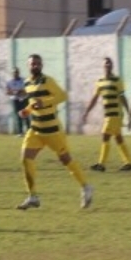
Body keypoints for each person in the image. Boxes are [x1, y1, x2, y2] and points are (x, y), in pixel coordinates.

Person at [15, 53, 94, 210]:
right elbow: (34, 103)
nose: (35, 66)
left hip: (52, 130)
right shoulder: (27, 83)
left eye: (38, 63)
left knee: (66, 160)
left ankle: (86, 187)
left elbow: (62, 96)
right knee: (25, 158)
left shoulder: (48, 81)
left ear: (42, 65)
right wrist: (27, 110)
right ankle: (33, 196)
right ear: (28, 66)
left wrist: (44, 102)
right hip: (36, 129)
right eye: (32, 64)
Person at [81, 57, 131, 172]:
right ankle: (128, 162)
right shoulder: (100, 81)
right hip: (108, 114)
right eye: (106, 64)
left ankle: (101, 164)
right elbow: (95, 98)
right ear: (103, 66)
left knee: (105, 135)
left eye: (109, 64)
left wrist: (129, 113)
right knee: (118, 138)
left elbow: (122, 97)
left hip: (115, 114)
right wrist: (87, 111)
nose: (108, 66)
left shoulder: (117, 80)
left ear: (112, 66)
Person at [6, 66, 29, 135]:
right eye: (14, 72)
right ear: (12, 73)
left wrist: (21, 92)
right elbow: (7, 92)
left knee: (26, 115)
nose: (15, 74)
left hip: (24, 99)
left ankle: (29, 131)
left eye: (16, 72)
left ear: (19, 73)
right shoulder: (9, 82)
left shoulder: (24, 80)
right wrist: (14, 92)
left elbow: (27, 90)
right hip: (15, 100)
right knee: (18, 115)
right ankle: (20, 132)